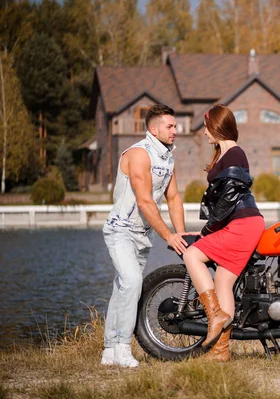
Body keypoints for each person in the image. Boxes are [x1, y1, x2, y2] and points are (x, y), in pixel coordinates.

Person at [101, 104, 189, 367]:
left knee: (123, 288)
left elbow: (173, 198)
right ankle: (123, 347)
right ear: (154, 128)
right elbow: (145, 202)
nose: (176, 130)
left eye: (175, 126)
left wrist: (181, 234)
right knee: (131, 282)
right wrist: (168, 237)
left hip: (142, 235)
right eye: (170, 126)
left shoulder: (168, 157)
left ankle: (109, 350)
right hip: (120, 230)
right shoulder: (139, 154)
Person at [183, 103, 264, 362]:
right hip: (244, 223)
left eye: (206, 128)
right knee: (223, 282)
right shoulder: (227, 154)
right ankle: (221, 351)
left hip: (242, 224)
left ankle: (215, 314)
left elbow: (227, 199)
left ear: (216, 127)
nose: (204, 133)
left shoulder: (234, 155)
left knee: (192, 255)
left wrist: (207, 230)